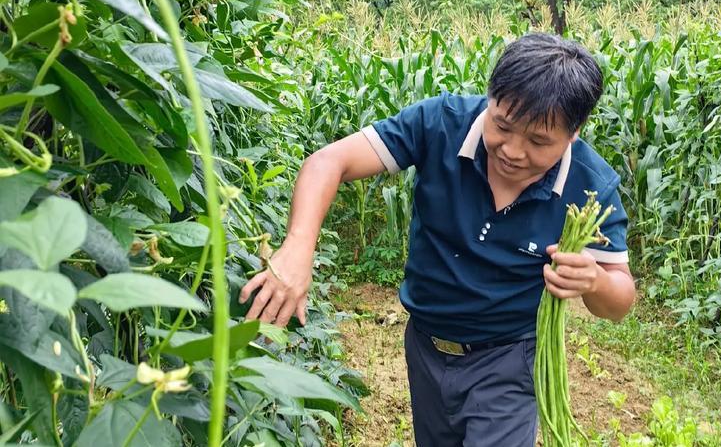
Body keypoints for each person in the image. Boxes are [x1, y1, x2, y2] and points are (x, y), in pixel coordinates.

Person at [240, 32, 635, 447]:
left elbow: (620, 297)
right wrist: (299, 247)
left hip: (508, 360)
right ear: (490, 98)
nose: (513, 151)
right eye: (502, 125)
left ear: (573, 133)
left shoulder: (590, 187)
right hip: (425, 347)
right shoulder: (440, 124)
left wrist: (595, 281)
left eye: (538, 141)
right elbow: (328, 162)